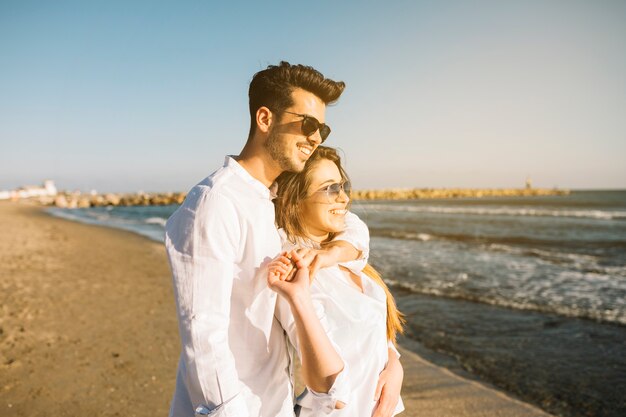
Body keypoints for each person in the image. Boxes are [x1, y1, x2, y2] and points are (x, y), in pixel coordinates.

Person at [164, 62, 370, 417]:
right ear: (265, 119)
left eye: (323, 128)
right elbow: (203, 334)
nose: (317, 137)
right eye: (307, 124)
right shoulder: (215, 203)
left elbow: (351, 224)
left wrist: (330, 254)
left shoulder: (266, 201)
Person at [269, 146, 405, 417]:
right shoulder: (294, 269)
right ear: (295, 200)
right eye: (330, 189)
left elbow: (370, 331)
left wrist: (394, 363)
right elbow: (329, 391)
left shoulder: (340, 251)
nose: (343, 197)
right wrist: (299, 298)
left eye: (344, 186)